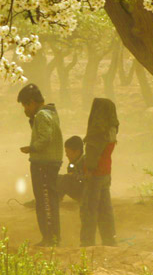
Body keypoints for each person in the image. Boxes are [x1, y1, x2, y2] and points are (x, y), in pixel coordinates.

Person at [17, 83, 63, 246]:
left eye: (25, 105)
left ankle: (50, 238)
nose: (25, 109)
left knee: (44, 201)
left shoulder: (42, 116)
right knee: (49, 200)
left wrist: (32, 148)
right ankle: (52, 237)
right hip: (51, 162)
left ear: (31, 102)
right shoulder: (51, 113)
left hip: (44, 163)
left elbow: (45, 138)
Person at [80, 98, 118, 247]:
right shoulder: (112, 128)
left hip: (95, 173)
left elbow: (93, 151)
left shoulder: (97, 130)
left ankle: (87, 243)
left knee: (89, 209)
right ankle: (109, 241)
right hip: (106, 172)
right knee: (105, 210)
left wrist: (88, 169)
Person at [22, 135, 84, 208]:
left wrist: (74, 175)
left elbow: (88, 178)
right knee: (55, 177)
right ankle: (46, 199)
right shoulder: (72, 163)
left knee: (65, 179)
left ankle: (52, 201)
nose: (66, 155)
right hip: (80, 191)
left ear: (77, 152)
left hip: (86, 194)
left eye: (68, 152)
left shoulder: (86, 162)